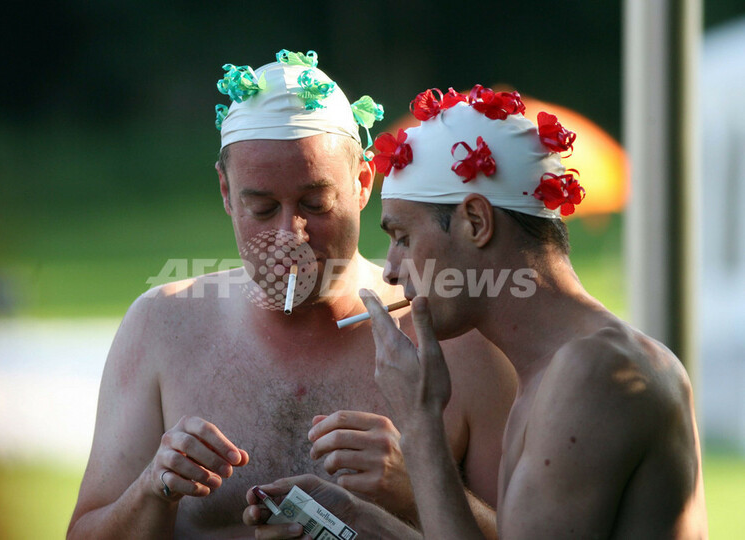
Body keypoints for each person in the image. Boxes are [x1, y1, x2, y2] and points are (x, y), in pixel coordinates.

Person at [67, 52, 516, 539]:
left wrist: (418, 486)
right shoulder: (162, 325)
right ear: (226, 192)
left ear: (363, 183)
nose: (290, 235)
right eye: (262, 208)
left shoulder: (459, 340)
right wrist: (152, 489)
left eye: (315, 203)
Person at [244, 85, 708, 538]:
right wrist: (361, 520)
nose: (391, 270)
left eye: (403, 237)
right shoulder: (550, 368)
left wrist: (420, 423)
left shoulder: (591, 372)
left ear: (476, 221)